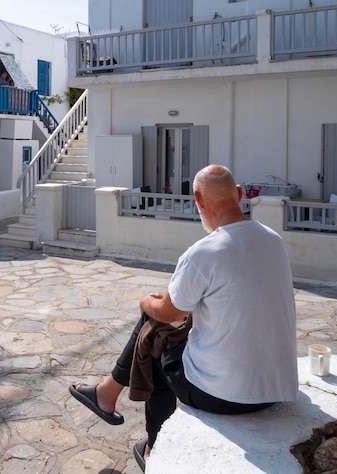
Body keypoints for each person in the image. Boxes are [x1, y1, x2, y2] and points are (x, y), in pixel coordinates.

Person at [69, 164, 298, 471]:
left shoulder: (204, 252)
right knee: (163, 326)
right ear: (240, 194)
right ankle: (106, 394)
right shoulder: (273, 241)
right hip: (274, 390)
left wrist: (144, 301)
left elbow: (167, 312)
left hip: (224, 395)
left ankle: (151, 445)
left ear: (198, 200)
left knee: (153, 335)